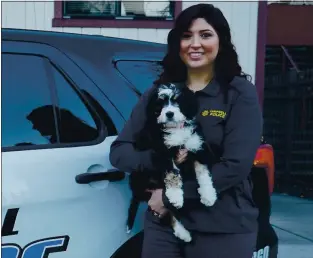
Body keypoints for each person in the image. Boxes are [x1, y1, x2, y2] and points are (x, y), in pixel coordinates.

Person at [110, 3, 263, 258]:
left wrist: (170, 197)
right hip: (165, 226)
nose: (195, 44)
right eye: (186, 36)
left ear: (220, 41)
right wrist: (159, 160)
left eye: (205, 35)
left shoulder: (238, 93)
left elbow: (235, 166)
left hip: (222, 226)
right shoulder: (158, 94)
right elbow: (120, 151)